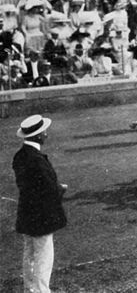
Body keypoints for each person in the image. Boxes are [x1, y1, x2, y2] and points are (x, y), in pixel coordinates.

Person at [13, 114, 67, 293]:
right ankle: (41, 290)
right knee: (44, 255)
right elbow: (48, 188)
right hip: (42, 214)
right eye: (44, 132)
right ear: (37, 135)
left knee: (29, 253)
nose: (46, 135)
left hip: (27, 212)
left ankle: (30, 288)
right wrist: (60, 189)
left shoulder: (20, 156)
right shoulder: (37, 159)